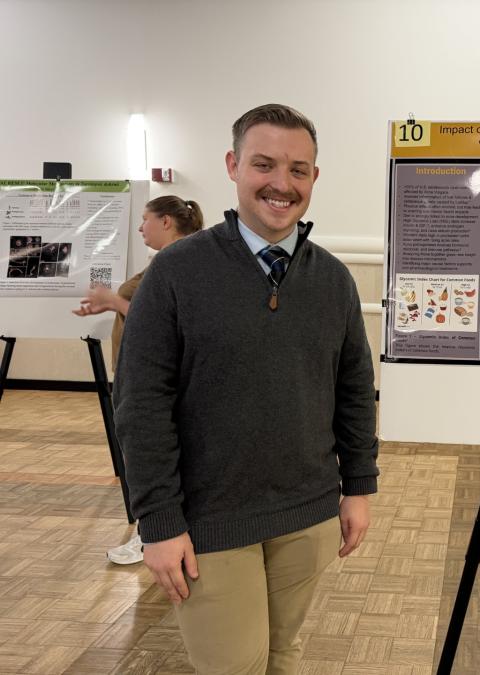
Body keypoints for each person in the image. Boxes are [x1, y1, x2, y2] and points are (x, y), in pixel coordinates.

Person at [113, 104, 378, 674]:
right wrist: (157, 521)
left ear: (313, 177)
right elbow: (141, 404)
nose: (282, 184)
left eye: (298, 169)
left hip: (306, 514)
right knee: (233, 665)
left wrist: (357, 486)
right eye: (264, 164)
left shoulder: (331, 279)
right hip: (209, 520)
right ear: (233, 166)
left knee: (281, 658)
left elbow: (354, 388)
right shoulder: (177, 273)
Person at [74, 195, 204, 564]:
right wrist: (110, 303)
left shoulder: (180, 262)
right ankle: (156, 532)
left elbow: (165, 322)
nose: (140, 227)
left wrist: (115, 303)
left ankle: (153, 534)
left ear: (166, 221)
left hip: (157, 379)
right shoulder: (164, 262)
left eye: (145, 219)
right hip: (141, 373)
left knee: (150, 457)